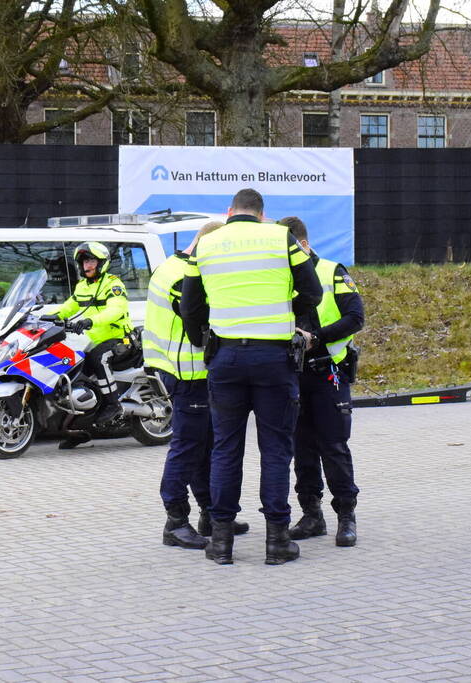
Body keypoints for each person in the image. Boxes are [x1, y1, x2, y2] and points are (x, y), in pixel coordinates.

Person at [181, 189, 323, 565]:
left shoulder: (208, 244)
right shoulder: (281, 238)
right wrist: (286, 312)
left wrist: (204, 339)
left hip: (225, 358)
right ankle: (277, 541)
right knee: (276, 449)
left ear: (231, 213)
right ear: (262, 214)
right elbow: (314, 291)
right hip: (274, 359)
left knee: (226, 448)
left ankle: (222, 542)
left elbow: (190, 305)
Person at [144, 221, 250, 550]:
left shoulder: (174, 266)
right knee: (188, 447)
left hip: (184, 370)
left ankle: (211, 513)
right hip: (187, 372)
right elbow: (201, 319)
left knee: (205, 444)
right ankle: (175, 521)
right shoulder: (182, 275)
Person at [278, 216, 364, 547]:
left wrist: (317, 338)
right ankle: (311, 515)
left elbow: (355, 317)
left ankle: (346, 516)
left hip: (329, 373)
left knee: (334, 446)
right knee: (302, 449)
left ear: (304, 244)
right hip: (293, 375)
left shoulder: (332, 271)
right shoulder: (281, 279)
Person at [54, 241, 133, 431]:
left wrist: (91, 321)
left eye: (91, 261)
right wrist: (53, 316)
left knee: (99, 358)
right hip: (90, 340)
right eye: (84, 262)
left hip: (117, 338)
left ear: (101, 263)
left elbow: (116, 310)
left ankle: (113, 404)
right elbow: (70, 305)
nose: (87, 265)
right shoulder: (82, 286)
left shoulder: (113, 284)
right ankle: (81, 423)